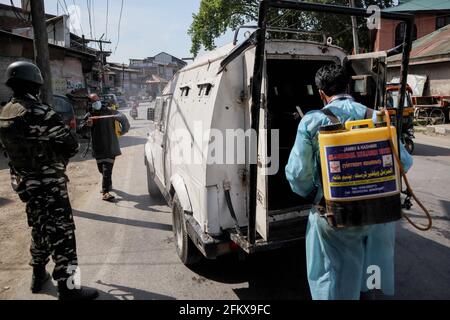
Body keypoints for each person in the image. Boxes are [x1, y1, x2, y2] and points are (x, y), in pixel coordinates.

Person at [285, 64, 413, 300]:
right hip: (375, 213)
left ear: (321, 93)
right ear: (349, 86)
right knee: (364, 269)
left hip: (335, 214)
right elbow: (404, 163)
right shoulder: (376, 117)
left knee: (328, 275)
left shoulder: (312, 122)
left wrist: (313, 192)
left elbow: (297, 175)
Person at [0, 61, 98, 300]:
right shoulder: (40, 112)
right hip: (49, 183)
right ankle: (69, 287)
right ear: (36, 83)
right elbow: (71, 144)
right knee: (63, 234)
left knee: (40, 227)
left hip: (25, 183)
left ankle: (37, 274)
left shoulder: (5, 113)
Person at [85, 93, 130, 201]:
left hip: (110, 146)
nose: (96, 103)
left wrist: (124, 129)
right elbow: (81, 130)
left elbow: (122, 118)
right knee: (102, 170)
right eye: (93, 101)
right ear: (90, 103)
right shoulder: (89, 115)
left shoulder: (109, 111)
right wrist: (87, 125)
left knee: (106, 170)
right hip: (98, 147)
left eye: (97, 100)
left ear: (100, 100)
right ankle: (108, 185)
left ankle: (105, 192)